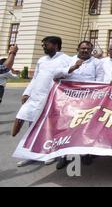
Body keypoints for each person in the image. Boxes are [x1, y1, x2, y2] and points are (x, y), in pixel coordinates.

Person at [12, 37, 72, 167]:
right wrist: (27, 92)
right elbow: (35, 78)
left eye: (46, 44)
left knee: (49, 126)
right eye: (43, 44)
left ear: (56, 45)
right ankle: (31, 154)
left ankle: (48, 154)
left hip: (53, 98)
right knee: (32, 124)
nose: (43, 46)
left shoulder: (66, 59)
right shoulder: (41, 60)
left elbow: (69, 76)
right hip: (35, 97)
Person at [55, 41, 104, 170]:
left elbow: (100, 81)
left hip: (88, 100)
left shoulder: (97, 63)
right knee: (66, 127)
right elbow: (56, 75)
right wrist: (73, 68)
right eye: (82, 48)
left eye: (88, 48)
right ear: (78, 49)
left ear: (91, 50)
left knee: (85, 127)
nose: (85, 50)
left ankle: (85, 154)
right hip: (68, 100)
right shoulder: (69, 60)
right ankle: (63, 155)